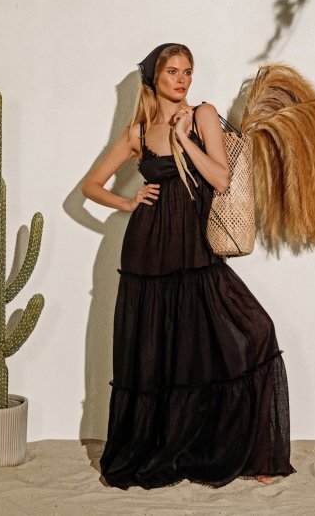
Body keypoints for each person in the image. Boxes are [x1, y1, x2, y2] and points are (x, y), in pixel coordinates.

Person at [81, 43, 296, 489]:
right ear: (154, 77)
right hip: (148, 249)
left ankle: (252, 451)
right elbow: (90, 187)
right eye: (173, 72)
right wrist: (128, 201)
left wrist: (183, 139)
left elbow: (220, 178)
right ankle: (162, 445)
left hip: (195, 249)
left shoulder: (202, 116)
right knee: (158, 351)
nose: (182, 80)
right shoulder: (138, 132)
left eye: (187, 72)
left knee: (255, 330)